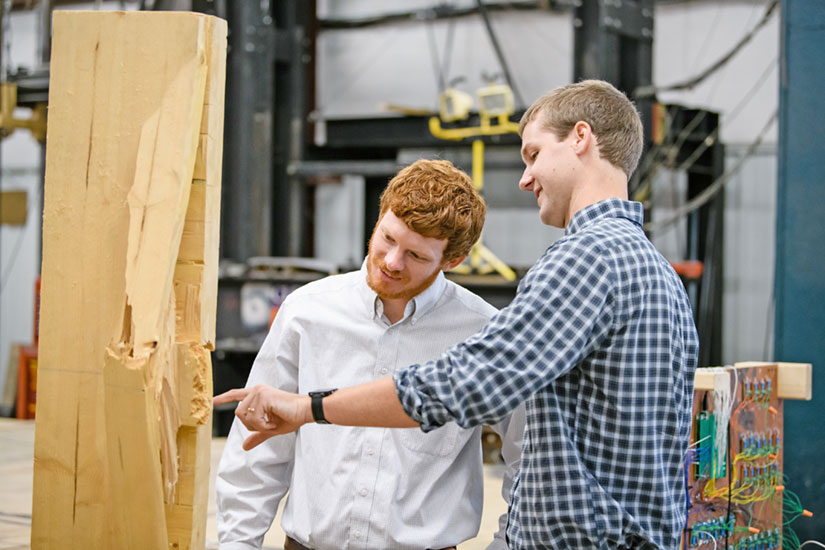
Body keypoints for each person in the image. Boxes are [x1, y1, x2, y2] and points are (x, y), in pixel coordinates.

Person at [216, 80, 699, 550]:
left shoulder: (584, 260)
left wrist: (310, 407)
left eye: (533, 154)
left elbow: (465, 383)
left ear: (580, 137)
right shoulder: (659, 274)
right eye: (387, 240)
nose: (525, 177)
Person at [215, 158, 525, 550]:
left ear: (452, 261)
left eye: (416, 255)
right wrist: (238, 544)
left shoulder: (483, 333)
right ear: (379, 217)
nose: (392, 262)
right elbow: (257, 449)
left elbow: (529, 457)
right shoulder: (308, 311)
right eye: (388, 238)